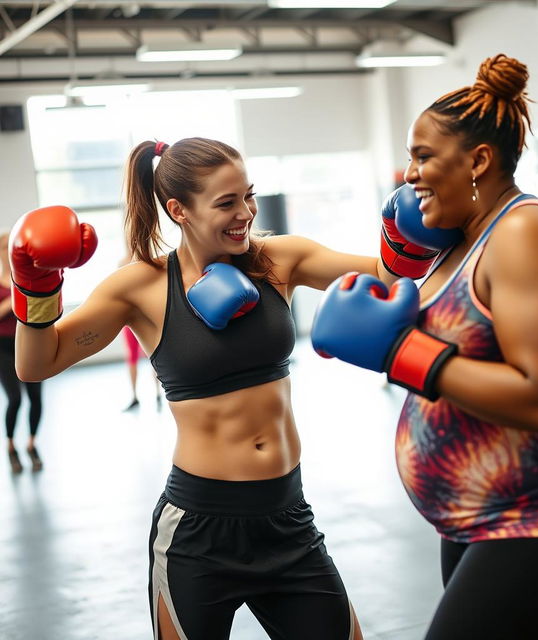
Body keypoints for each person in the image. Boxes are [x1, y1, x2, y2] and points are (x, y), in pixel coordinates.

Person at [8, 136, 428, 639]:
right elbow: (38, 363)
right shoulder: (140, 286)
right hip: (197, 532)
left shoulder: (279, 259)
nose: (245, 213)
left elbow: (389, 277)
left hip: (287, 520)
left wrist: (412, 226)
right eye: (226, 203)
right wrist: (35, 287)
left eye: (248, 196)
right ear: (178, 209)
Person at [311, 54, 538, 639]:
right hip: (478, 514)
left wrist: (400, 353)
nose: (409, 175)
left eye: (422, 157)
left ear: (478, 161)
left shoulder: (525, 232)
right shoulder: (460, 240)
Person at [0, 232, 43, 473]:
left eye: (12, 246)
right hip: (4, 347)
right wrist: (12, 302)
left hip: (30, 344)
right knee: (15, 399)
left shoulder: (26, 279)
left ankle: (32, 444)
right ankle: (10, 446)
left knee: (36, 398)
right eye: (5, 246)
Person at [118, 252, 162, 411]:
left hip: (146, 317)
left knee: (153, 356)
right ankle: (134, 396)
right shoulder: (122, 263)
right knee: (132, 357)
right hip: (129, 321)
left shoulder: (148, 262)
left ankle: (158, 393)